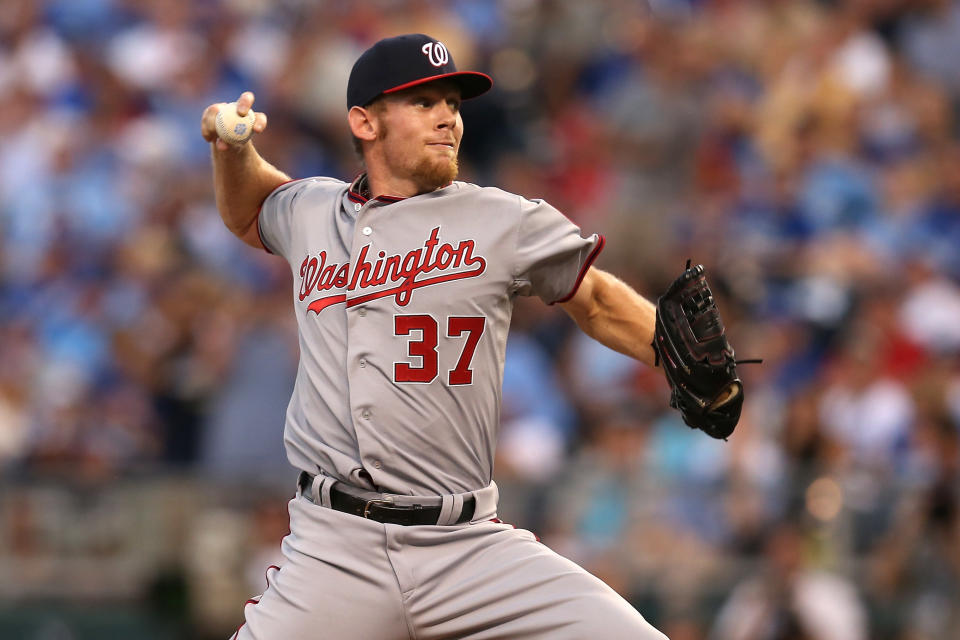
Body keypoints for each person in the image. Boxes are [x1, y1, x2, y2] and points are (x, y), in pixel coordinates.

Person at [201, 33, 668, 640]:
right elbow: (248, 207)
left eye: (452, 102)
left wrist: (681, 354)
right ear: (365, 122)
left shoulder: (502, 218)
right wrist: (231, 150)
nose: (447, 115)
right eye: (423, 103)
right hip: (335, 550)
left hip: (468, 545)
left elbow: (599, 299)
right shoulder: (312, 211)